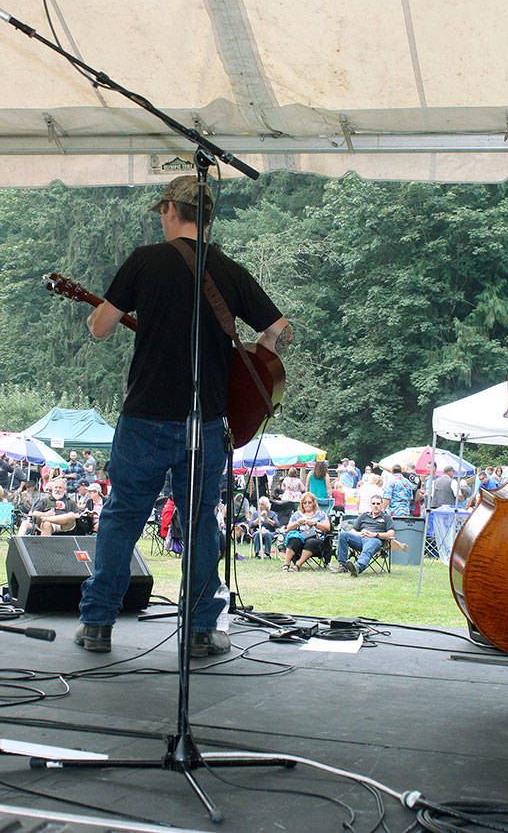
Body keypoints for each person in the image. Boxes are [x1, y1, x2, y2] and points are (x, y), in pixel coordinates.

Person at [76, 175, 291, 656]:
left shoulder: (145, 261)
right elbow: (280, 330)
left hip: (146, 416)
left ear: (171, 210)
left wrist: (100, 314)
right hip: (207, 419)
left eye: (163, 211)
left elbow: (101, 328)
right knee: (198, 524)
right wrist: (250, 363)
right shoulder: (230, 272)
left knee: (122, 519)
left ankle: (97, 625)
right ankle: (197, 630)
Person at [334, 495, 394, 576]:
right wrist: (359, 534)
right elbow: (352, 530)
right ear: (370, 505)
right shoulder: (364, 516)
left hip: (375, 540)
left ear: (382, 505)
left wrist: (375, 535)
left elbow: (391, 534)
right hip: (360, 539)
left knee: (370, 544)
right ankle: (343, 566)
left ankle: (357, 567)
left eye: (378, 503)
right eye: (373, 503)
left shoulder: (387, 517)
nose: (375, 505)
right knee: (343, 535)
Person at [281, 492, 330, 571]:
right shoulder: (297, 515)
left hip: (316, 540)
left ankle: (297, 565)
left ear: (314, 503)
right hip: (300, 538)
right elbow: (288, 528)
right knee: (294, 539)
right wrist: (298, 522)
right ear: (302, 504)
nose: (307, 504)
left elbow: (327, 527)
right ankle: (286, 564)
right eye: (305, 503)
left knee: (311, 542)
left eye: (309, 502)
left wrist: (315, 523)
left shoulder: (321, 514)